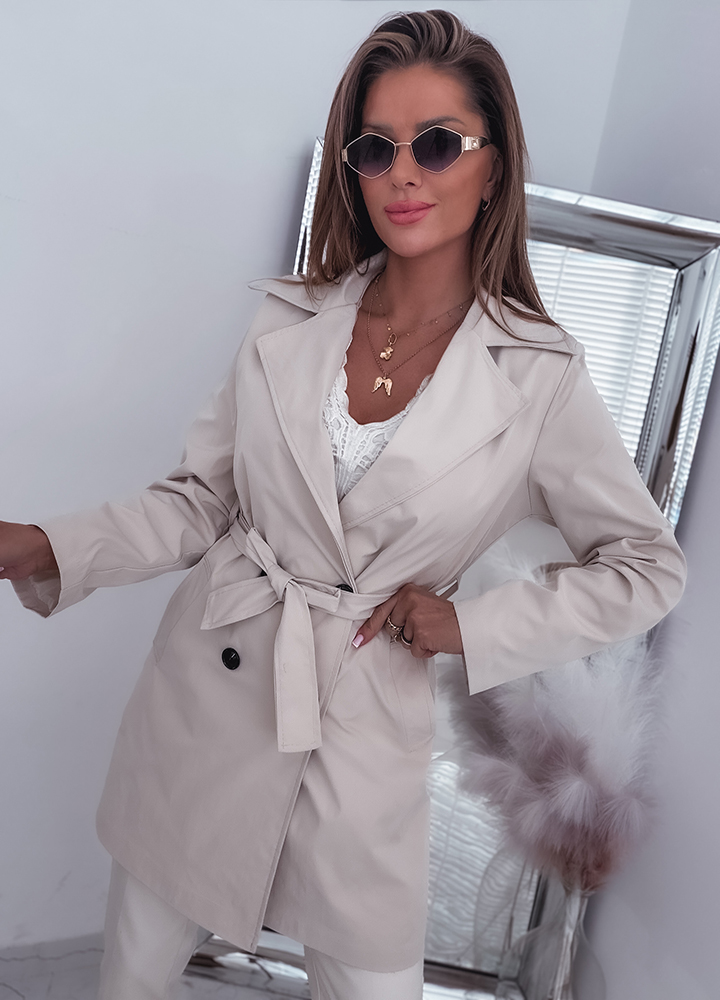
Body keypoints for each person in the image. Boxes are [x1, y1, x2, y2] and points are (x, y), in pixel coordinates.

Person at [0, 9, 686, 1000]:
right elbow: (200, 501)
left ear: (493, 167)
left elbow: (646, 568)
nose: (403, 174)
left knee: (372, 981)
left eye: (437, 144)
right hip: (210, 692)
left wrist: (470, 625)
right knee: (133, 977)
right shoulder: (290, 319)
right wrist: (44, 546)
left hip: (364, 721)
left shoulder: (538, 376)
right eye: (375, 148)